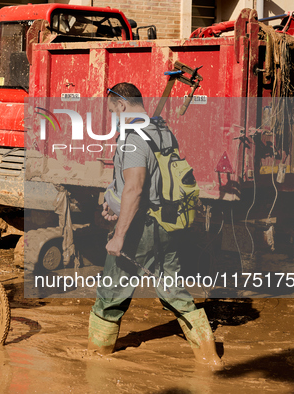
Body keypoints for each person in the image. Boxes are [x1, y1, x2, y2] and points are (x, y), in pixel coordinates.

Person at [87, 83, 222, 368]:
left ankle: (95, 359)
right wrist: (114, 206)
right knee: (171, 289)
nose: (112, 118)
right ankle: (209, 357)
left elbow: (135, 189)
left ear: (122, 106)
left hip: (141, 228)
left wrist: (119, 236)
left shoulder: (133, 138)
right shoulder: (161, 129)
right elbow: (153, 182)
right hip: (166, 222)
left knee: (110, 294)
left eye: (113, 111)